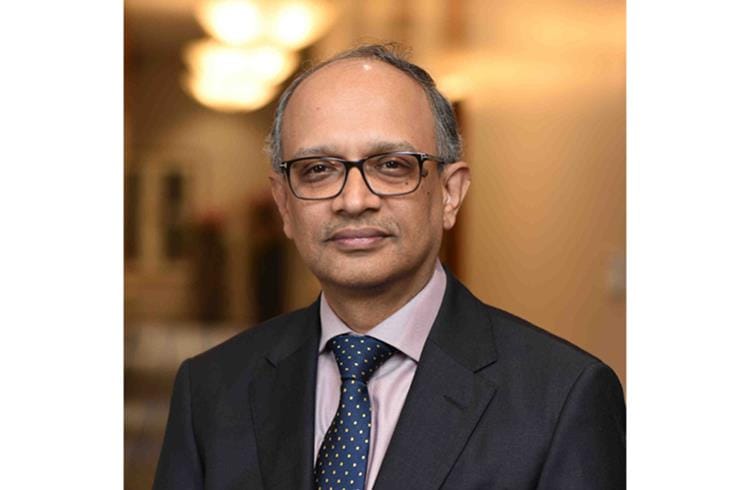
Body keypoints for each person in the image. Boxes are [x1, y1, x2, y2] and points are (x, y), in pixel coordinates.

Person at [153, 44, 625, 490]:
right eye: (318, 169)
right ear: (284, 205)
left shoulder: (563, 398)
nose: (354, 200)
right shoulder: (210, 389)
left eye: (392, 165)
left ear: (450, 193)